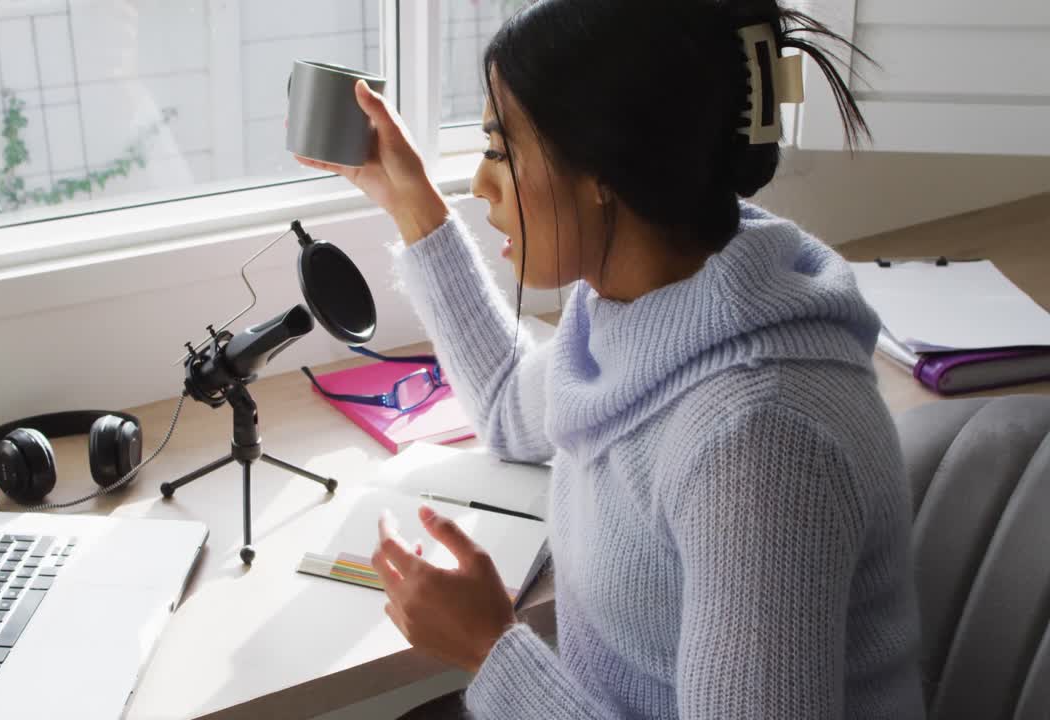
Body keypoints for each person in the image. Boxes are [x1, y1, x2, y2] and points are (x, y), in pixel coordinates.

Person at [296, 1, 924, 718]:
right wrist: (408, 197)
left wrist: (492, 651)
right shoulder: (642, 299)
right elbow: (508, 403)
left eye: (501, 152)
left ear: (603, 171)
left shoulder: (757, 443)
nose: (480, 184)